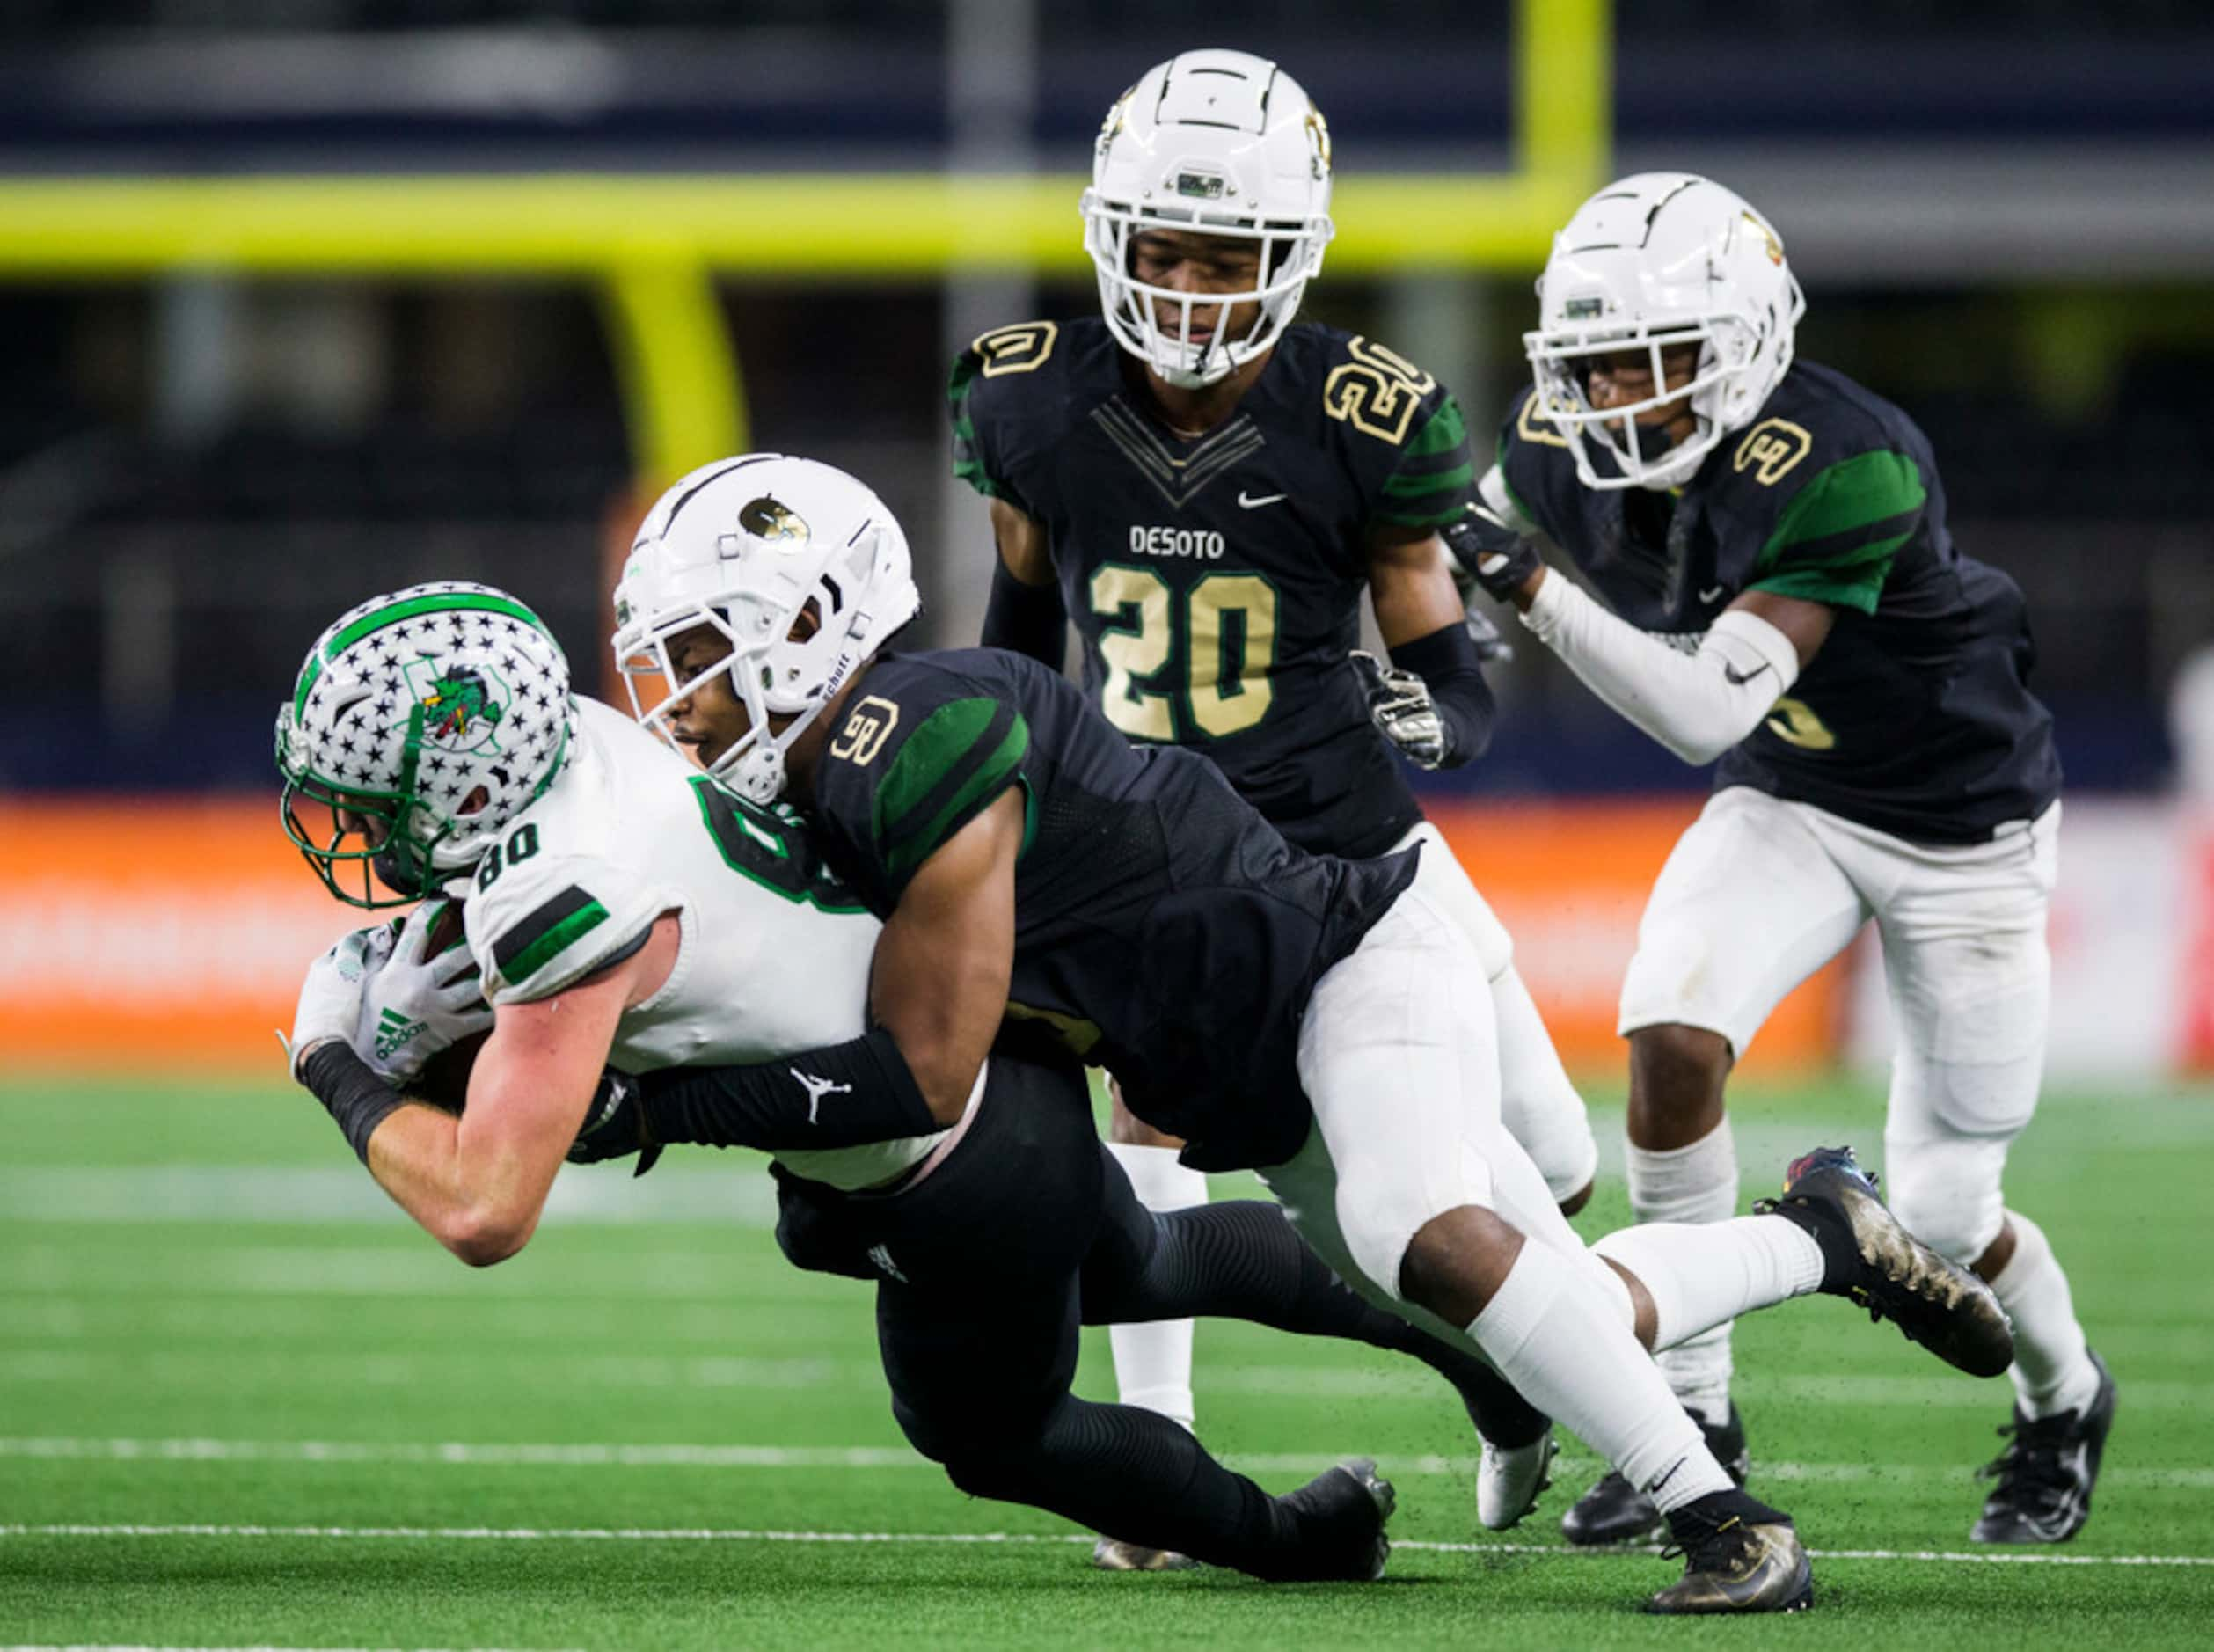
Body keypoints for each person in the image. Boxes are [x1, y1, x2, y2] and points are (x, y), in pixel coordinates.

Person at [596, 450, 2020, 1615]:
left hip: (1350, 963)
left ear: (812, 624)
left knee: (1421, 1230)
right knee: (1562, 1311)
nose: (682, 695)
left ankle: (1729, 1522)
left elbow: (925, 1065)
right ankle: (1823, 1233)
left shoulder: (906, 728)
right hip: (1258, 1078)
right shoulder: (820, 794)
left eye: (708, 652)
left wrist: (661, 1112)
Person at [272, 574, 1589, 1583]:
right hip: (975, 1071)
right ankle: (1482, 1358)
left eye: (371, 796)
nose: (361, 827)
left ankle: (1302, 1540)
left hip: (931, 1145)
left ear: (463, 778)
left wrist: (336, 1059)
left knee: (990, 1431)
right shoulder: (600, 747)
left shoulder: (560, 895)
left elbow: (486, 1207)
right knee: (1139, 1258)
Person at [947, 49, 1598, 1563]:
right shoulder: (1031, 398)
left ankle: (1541, 1399)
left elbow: (1452, 665)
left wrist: (1434, 709)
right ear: (1111, 233)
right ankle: (1154, 1471)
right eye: (1158, 246)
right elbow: (1014, 638)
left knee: (1551, 1162)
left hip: (1348, 841)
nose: (1182, 284)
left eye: (1222, 253)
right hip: (1149, 842)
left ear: (1289, 255)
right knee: (1150, 1124)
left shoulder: (1365, 414)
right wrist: (1004, 796)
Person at [1449, 171, 2112, 1548]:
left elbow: (1697, 710)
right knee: (1669, 1038)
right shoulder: (1563, 442)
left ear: (1748, 340)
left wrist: (1520, 582)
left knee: (1938, 1208)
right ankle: (1689, 1414)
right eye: (1594, 363)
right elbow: (1460, 544)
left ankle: (2065, 1395)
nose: (1619, 394)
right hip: (1795, 795)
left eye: (1655, 357)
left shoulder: (1844, 454)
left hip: (1957, 827)